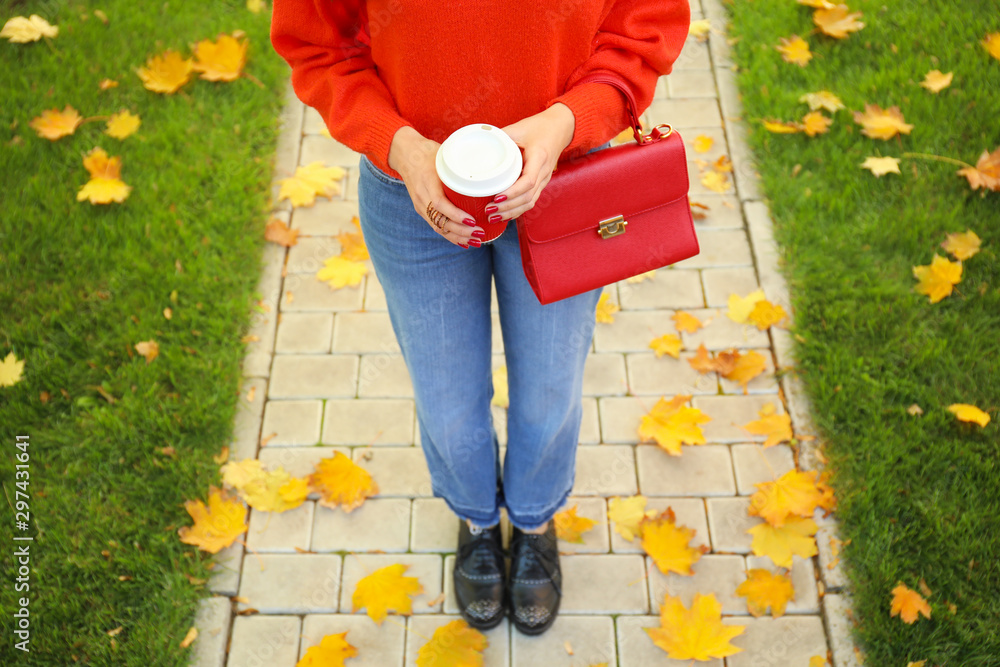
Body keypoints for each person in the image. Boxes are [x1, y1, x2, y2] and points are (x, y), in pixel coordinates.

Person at [271, 0, 689, 635]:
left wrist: (567, 122)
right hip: (411, 191)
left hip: (563, 176)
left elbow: (644, 23)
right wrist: (398, 146)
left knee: (551, 387)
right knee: (445, 397)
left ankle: (533, 519)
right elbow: (318, 43)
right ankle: (474, 518)